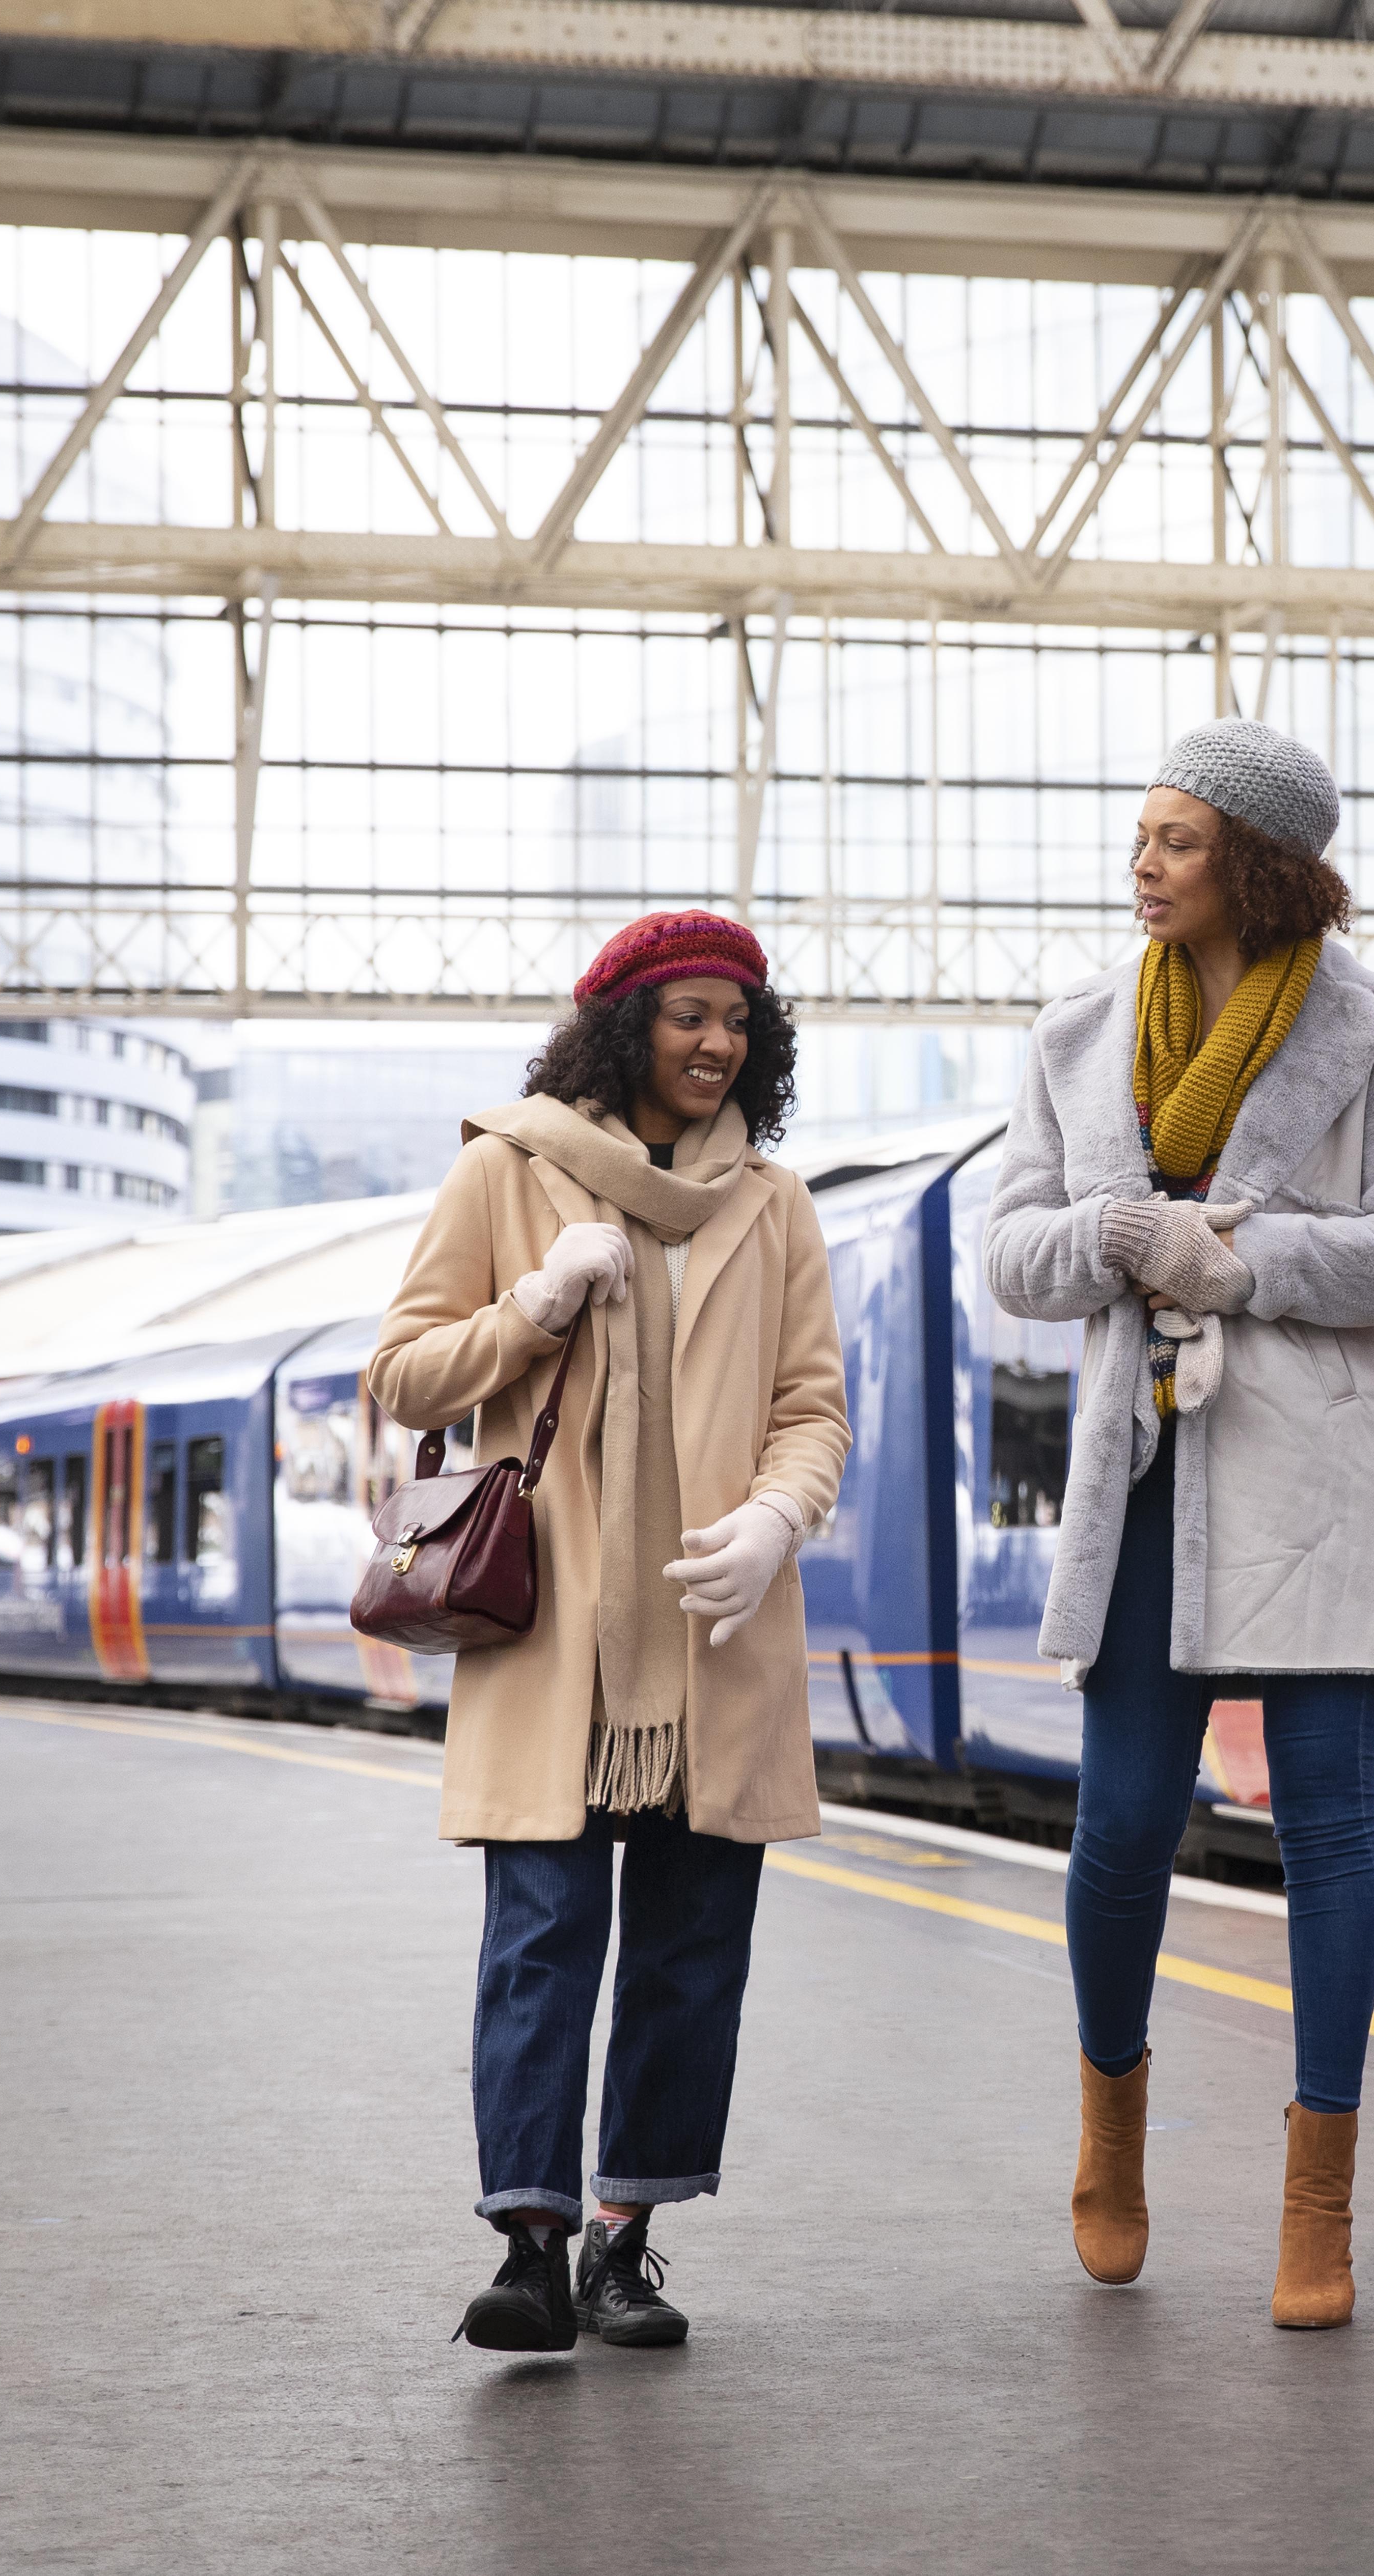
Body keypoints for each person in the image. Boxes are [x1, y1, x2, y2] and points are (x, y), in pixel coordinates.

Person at [983, 719, 1374, 2331]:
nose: (1142, 863)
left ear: (1255, 866)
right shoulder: (1069, 1040)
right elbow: (1014, 1257)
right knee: (1123, 1824)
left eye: (1176, 839)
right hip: (1142, 1468)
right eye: (1140, 834)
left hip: (1312, 1477)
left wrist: (1248, 1265)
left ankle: (1316, 2208)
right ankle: (1109, 2137)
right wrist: (1121, 1230)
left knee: (1327, 1823)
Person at [365, 910, 849, 2356]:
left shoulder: (774, 1204)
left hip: (717, 1633)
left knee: (690, 1953)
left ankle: (626, 2244)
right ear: (622, 1022)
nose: (717, 1042)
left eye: (738, 1019)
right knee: (543, 1938)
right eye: (688, 1013)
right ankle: (530, 2243)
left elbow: (811, 1408)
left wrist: (773, 1521)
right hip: (555, 1631)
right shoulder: (503, 1170)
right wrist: (531, 1302)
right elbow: (403, 1372)